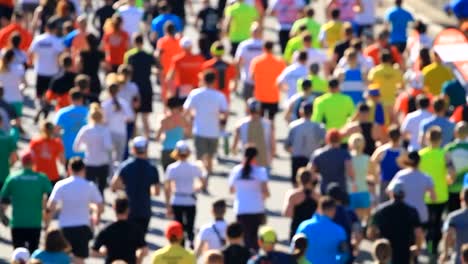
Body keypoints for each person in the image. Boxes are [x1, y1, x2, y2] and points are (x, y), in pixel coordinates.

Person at [47, 157, 103, 264]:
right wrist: (94, 212)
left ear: (69, 169)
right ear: (83, 169)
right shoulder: (90, 186)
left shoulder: (61, 185)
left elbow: (50, 207)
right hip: (82, 227)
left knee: (63, 258)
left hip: (65, 227)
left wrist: (47, 224)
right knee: (80, 259)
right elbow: (101, 207)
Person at [0, 150, 52, 253]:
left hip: (17, 223)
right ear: (34, 162)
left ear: (22, 162)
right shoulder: (41, 178)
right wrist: (47, 221)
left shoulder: (12, 178)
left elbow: (3, 200)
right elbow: (51, 201)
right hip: (35, 223)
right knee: (33, 256)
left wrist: (2, 216)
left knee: (19, 256)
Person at [111, 136, 160, 243]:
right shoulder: (152, 168)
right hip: (144, 210)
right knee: (140, 242)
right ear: (146, 149)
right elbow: (156, 192)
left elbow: (114, 185)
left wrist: (127, 187)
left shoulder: (125, 166)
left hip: (128, 210)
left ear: (133, 149)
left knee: (127, 242)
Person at [183, 70, 228, 175]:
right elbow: (225, 113)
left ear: (203, 80)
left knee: (200, 158)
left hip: (199, 130)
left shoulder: (195, 93)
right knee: (210, 157)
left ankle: (201, 179)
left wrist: (189, 122)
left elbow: (186, 111)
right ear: (214, 81)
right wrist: (222, 125)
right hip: (214, 131)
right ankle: (208, 175)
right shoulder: (219, 96)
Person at [368, 182, 424, 264]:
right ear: (404, 194)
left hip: (385, 253)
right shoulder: (412, 211)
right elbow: (418, 233)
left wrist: (378, 245)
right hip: (405, 252)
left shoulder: (380, 210)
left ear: (391, 193)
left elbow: (370, 232)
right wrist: (418, 247)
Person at [164, 141, 206, 248]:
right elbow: (203, 182)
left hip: (177, 199)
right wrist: (196, 188)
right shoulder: (194, 167)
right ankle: (191, 240)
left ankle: (181, 245)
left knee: (179, 226)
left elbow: (167, 188)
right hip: (190, 199)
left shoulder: (172, 168)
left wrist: (168, 204)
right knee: (190, 224)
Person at [419, 127, 454, 255]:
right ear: (440, 139)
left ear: (427, 139)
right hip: (441, 194)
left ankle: (429, 246)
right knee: (438, 222)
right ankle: (435, 248)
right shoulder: (445, 154)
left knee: (428, 223)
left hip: (425, 195)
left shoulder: (421, 155)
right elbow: (452, 173)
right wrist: (448, 181)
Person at [229, 146, 269, 251]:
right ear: (256, 157)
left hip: (241, 208)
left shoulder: (236, 170)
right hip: (256, 208)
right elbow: (265, 192)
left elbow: (231, 190)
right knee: (255, 238)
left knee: (244, 238)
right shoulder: (260, 171)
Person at [92, 194, 148, 264]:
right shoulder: (136, 229)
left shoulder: (107, 229)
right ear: (128, 209)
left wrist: (103, 253)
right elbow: (144, 250)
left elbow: (93, 252)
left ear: (114, 208)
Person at [28, 19, 65, 122]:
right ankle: (45, 114)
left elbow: (30, 53)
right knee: (49, 96)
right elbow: (60, 55)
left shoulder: (38, 39)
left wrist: (31, 62)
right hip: (52, 71)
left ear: (45, 28)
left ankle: (40, 109)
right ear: (55, 29)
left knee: (39, 95)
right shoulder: (57, 41)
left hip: (40, 70)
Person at [73, 104, 112, 196]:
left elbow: (75, 147)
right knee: (101, 189)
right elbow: (108, 147)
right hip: (103, 162)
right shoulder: (104, 130)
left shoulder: (85, 130)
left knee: (89, 189)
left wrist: (86, 148)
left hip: (90, 162)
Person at [387, 151, 436, 224]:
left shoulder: (401, 175)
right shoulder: (426, 177)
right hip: (420, 212)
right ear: (419, 162)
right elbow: (433, 197)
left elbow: (389, 190)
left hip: (403, 212)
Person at [296, 196, 348, 264]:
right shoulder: (339, 230)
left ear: (318, 208)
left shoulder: (304, 226)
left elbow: (295, 249)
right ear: (333, 210)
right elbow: (344, 254)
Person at [285, 101, 325, 184]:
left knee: (296, 184)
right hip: (312, 159)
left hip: (297, 158)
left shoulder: (293, 126)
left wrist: (294, 151)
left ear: (301, 112)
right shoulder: (319, 126)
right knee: (312, 184)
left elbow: (287, 145)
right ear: (313, 112)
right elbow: (323, 144)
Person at [125, 34, 156, 138]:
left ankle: (134, 141)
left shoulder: (129, 55)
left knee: (134, 116)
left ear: (134, 42)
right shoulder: (148, 54)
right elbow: (159, 67)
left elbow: (125, 71)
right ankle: (146, 140)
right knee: (145, 117)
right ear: (143, 42)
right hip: (147, 86)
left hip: (134, 89)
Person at [231, 98, 274, 168]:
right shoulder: (268, 124)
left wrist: (237, 154)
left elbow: (234, 147)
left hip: (246, 162)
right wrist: (270, 159)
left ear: (248, 109)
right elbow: (273, 146)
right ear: (260, 110)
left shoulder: (240, 124)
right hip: (264, 161)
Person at [310, 129, 356, 194]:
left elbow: (311, 171)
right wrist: (354, 182)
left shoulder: (317, 153)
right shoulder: (345, 154)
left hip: (324, 188)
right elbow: (350, 171)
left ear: (327, 139)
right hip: (341, 188)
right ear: (340, 140)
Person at [102, 74, 134, 163]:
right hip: (121, 132)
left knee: (109, 159)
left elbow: (103, 120)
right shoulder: (124, 103)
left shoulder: (105, 105)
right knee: (119, 159)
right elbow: (131, 118)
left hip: (109, 133)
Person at [250, 41, 286, 122]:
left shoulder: (256, 61)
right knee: (271, 120)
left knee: (260, 119)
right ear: (272, 48)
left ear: (263, 48)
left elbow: (252, 77)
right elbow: (283, 78)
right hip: (274, 96)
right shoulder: (279, 62)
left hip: (260, 95)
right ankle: (271, 135)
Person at [282, 167, 319, 240]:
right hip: (312, 229)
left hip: (297, 229)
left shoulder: (293, 195)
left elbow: (287, 213)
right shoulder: (318, 196)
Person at [367, 51, 404, 123]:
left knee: (381, 125)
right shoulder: (396, 71)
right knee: (394, 124)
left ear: (380, 59)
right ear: (390, 59)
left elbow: (370, 85)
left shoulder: (375, 71)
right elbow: (402, 86)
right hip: (393, 102)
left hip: (380, 102)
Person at [156, 97, 191, 171]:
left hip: (166, 150)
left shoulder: (164, 120)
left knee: (167, 176)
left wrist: (163, 138)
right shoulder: (183, 120)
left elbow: (157, 137)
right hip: (179, 151)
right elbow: (189, 134)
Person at [370, 126, 403, 202]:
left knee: (383, 207)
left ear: (388, 136)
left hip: (385, 182)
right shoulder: (403, 152)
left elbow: (371, 162)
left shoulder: (381, 150)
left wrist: (375, 176)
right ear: (400, 137)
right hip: (397, 183)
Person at [54, 88, 88, 162]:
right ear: (82, 98)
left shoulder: (62, 113)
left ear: (70, 98)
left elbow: (55, 131)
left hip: (68, 149)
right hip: (85, 151)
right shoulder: (89, 112)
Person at [235, 22, 263, 102]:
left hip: (247, 78)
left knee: (247, 102)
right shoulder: (264, 45)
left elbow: (238, 61)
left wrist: (237, 76)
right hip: (261, 80)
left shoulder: (244, 44)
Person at [155, 23, 182, 103]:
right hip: (175, 70)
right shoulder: (179, 40)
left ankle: (166, 108)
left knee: (164, 89)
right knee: (174, 90)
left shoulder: (162, 41)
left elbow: (158, 55)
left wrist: (158, 68)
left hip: (164, 69)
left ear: (165, 30)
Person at [347, 133, 372, 221]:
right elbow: (371, 175)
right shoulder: (367, 158)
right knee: (364, 219)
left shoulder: (348, 158)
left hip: (351, 191)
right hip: (364, 190)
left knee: (353, 218)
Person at [445, 122, 468, 212]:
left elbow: (446, 168)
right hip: (466, 188)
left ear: (455, 133)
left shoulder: (448, 148)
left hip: (452, 187)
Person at [441, 188, 468, 264]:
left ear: (462, 199)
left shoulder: (453, 217)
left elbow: (447, 235)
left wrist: (445, 253)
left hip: (459, 258)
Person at [0, 49, 25, 119]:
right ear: (13, 57)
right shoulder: (19, 68)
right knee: (16, 122)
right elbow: (24, 84)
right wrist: (21, 89)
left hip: (4, 99)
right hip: (17, 98)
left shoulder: (1, 69)